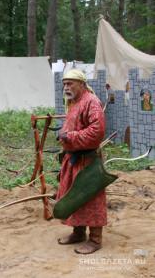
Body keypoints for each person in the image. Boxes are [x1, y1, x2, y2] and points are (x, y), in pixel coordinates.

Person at [56, 69, 106, 254]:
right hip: (73, 160)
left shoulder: (91, 102)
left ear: (82, 84)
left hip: (88, 161)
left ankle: (95, 240)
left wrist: (70, 136)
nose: (66, 87)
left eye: (70, 83)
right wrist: (63, 134)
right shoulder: (73, 101)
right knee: (73, 197)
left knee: (91, 198)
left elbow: (97, 132)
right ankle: (78, 232)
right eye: (65, 83)